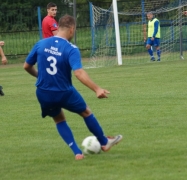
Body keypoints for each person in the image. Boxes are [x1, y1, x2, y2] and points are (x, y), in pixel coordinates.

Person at [24, 14, 123, 160]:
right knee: (86, 112)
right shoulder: (71, 48)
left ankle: (77, 152)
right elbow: (79, 73)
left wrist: (41, 77)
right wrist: (97, 89)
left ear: (58, 28)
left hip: (43, 92)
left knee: (59, 119)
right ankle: (104, 142)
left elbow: (27, 66)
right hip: (63, 91)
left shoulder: (41, 43)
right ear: (71, 29)